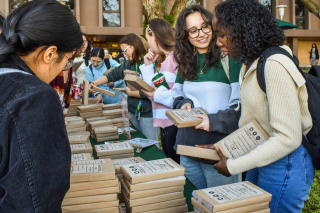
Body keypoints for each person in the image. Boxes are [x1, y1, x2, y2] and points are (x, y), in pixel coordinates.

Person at [204, 0, 314, 212]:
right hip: (263, 157)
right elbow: (254, 122)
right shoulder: (250, 62)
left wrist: (233, 166)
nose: (218, 42)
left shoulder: (274, 65)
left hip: (286, 164)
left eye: (221, 34)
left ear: (241, 29)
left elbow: (287, 138)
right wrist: (222, 148)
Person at [0, 0, 83, 212]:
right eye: (69, 60)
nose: (66, 66)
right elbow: (34, 201)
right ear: (50, 53)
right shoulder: (35, 97)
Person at [172, 5, 242, 189]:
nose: (200, 34)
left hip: (219, 149)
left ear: (213, 26)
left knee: (223, 205)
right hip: (187, 147)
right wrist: (183, 103)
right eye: (193, 30)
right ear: (185, 35)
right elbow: (177, 96)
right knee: (196, 203)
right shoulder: (185, 61)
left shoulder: (230, 58)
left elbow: (241, 107)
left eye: (205, 27)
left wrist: (213, 120)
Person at [90, 33, 159, 141]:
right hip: (133, 110)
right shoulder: (129, 64)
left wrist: (130, 93)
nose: (124, 55)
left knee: (150, 142)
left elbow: (152, 90)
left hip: (147, 112)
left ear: (134, 45)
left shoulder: (149, 62)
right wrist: (93, 83)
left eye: (125, 50)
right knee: (137, 141)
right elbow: (113, 75)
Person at [139, 18, 180, 163]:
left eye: (147, 37)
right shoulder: (167, 60)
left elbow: (179, 96)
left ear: (154, 36)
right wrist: (148, 66)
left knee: (175, 166)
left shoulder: (176, 59)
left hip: (173, 123)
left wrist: (155, 94)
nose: (147, 42)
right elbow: (153, 91)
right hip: (166, 122)